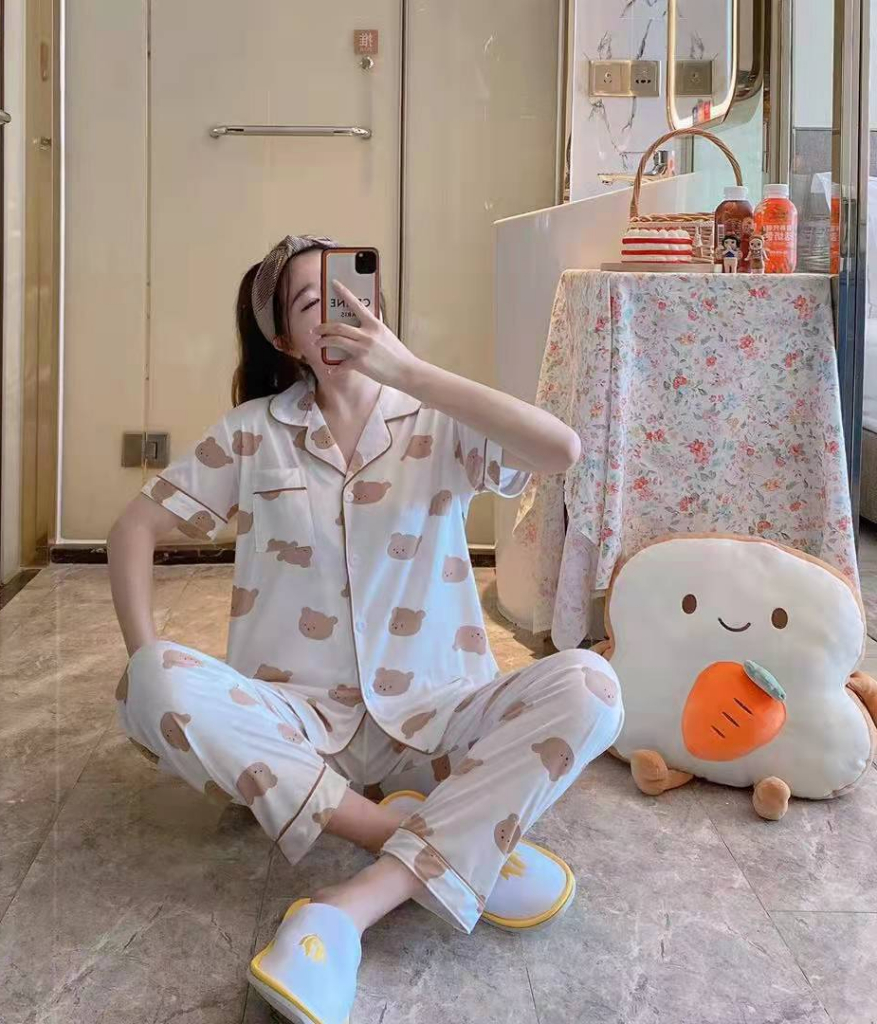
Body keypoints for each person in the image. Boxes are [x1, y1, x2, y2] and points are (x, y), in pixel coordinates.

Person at [108, 234, 623, 1023]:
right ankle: (426, 837)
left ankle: (347, 909)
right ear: (287, 340)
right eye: (309, 303)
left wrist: (409, 372)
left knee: (593, 685)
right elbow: (133, 529)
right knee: (152, 677)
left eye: (348, 295)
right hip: (300, 726)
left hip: (439, 717)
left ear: (376, 306)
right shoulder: (252, 432)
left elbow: (562, 450)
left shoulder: (439, 417)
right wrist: (152, 666)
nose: (335, 313)